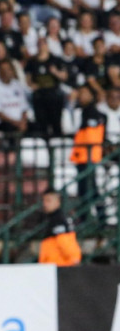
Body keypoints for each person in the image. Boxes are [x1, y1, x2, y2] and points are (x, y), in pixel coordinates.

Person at [71, 84, 106, 225]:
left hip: (88, 157)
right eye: (80, 93)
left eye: (85, 93)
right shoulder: (83, 111)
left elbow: (90, 136)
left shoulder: (91, 112)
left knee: (88, 189)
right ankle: (95, 218)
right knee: (87, 189)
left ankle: (92, 218)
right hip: (83, 156)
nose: (81, 96)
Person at [38, 189, 83, 266]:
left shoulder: (59, 220)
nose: (45, 204)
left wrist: (74, 260)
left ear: (57, 202)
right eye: (44, 201)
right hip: (52, 268)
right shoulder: (52, 219)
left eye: (48, 201)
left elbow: (66, 243)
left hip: (60, 268)